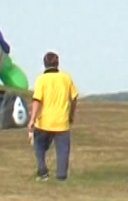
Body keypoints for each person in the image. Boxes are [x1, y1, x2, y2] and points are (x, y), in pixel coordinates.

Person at [28, 51, 78, 182]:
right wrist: (71, 114)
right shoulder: (66, 78)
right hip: (62, 122)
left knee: (39, 148)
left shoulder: (41, 79)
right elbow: (74, 97)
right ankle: (61, 176)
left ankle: (42, 171)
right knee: (63, 151)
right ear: (57, 63)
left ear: (44, 64)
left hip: (44, 121)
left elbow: (37, 100)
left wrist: (32, 119)